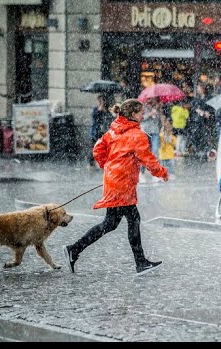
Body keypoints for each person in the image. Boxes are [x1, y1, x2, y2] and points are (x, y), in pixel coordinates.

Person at [62, 99, 169, 276]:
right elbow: (148, 159)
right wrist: (162, 173)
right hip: (122, 184)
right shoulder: (136, 135)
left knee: (110, 223)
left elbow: (97, 150)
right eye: (141, 112)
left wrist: (109, 167)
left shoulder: (113, 130)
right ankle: (140, 262)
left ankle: (74, 250)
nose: (143, 115)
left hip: (115, 181)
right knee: (132, 219)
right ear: (133, 115)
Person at [87, 94, 114, 169]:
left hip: (104, 132)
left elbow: (110, 118)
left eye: (102, 100)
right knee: (93, 148)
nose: (101, 102)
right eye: (99, 100)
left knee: (105, 148)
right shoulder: (96, 109)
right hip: (96, 132)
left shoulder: (107, 110)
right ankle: (91, 164)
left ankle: (103, 162)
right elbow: (95, 116)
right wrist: (100, 108)